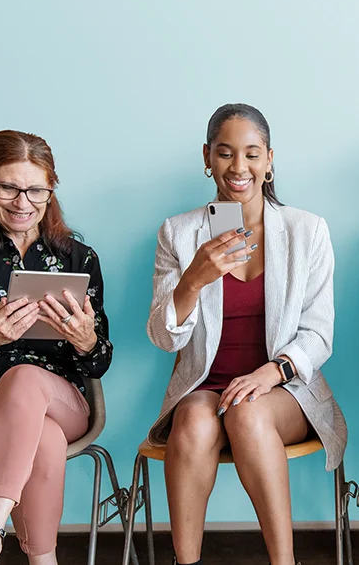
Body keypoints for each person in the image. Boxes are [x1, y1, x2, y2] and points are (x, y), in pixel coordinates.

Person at [145, 104, 345, 565]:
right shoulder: (178, 234)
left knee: (247, 412)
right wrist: (194, 278)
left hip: (282, 389)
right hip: (206, 386)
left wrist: (270, 374)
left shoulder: (306, 230)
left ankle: (284, 562)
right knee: (194, 422)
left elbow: (319, 333)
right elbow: (163, 337)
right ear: (207, 157)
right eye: (225, 153)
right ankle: (185, 561)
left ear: (270, 160)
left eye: (252, 154)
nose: (239, 167)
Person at [0, 130, 112, 565]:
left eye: (36, 190)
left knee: (27, 377)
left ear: (51, 189)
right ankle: (42, 559)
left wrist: (85, 338)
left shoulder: (77, 258)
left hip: (62, 400)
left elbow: (100, 360)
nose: (22, 202)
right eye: (8, 187)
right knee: (43, 438)